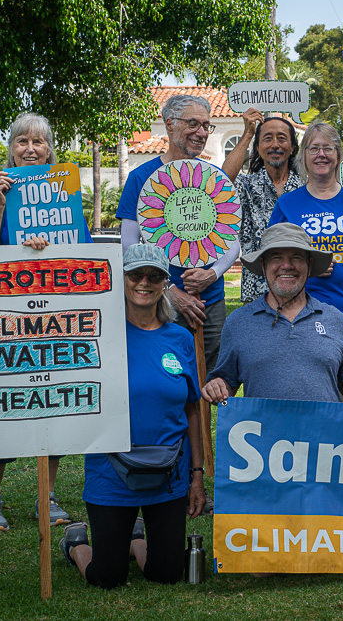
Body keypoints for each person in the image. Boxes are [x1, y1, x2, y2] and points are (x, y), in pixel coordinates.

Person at [60, 243, 206, 588]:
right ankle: (77, 544)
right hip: (111, 469)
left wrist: (196, 475)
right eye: (135, 274)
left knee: (167, 574)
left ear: (165, 283)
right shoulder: (94, 333)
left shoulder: (181, 338)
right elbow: (52, 302)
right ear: (120, 279)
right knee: (107, 577)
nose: (145, 281)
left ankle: (134, 539)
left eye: (154, 275)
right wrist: (38, 253)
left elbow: (193, 410)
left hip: (169, 472)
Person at [0, 112, 87, 531]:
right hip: (5, 310)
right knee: (4, 397)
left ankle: (48, 494)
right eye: (21, 141)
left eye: (38, 142)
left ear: (49, 149)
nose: (29, 149)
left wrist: (47, 248)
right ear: (11, 148)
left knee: (52, 399)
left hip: (54, 314)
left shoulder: (65, 191)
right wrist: (1, 205)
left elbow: (79, 250)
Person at [116, 94, 240, 375]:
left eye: (207, 126)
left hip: (211, 299)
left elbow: (232, 241)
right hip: (158, 300)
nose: (201, 133)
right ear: (169, 124)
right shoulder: (141, 177)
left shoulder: (214, 177)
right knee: (164, 375)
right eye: (193, 124)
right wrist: (170, 291)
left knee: (209, 381)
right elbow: (128, 246)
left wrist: (213, 273)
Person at [202, 223, 343, 408]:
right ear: (263, 264)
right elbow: (227, 381)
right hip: (264, 436)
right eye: (276, 257)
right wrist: (218, 386)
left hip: (323, 435)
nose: (287, 266)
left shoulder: (333, 318)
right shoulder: (239, 322)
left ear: (310, 264)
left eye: (296, 257)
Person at [267, 122, 343, 378]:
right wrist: (308, 269)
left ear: (338, 156)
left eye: (328, 148)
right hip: (300, 320)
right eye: (314, 148)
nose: (321, 154)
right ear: (303, 156)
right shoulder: (288, 204)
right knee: (309, 397)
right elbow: (270, 263)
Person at [220, 108, 303, 302]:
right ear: (257, 148)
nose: (275, 144)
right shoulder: (246, 186)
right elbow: (222, 181)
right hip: (257, 290)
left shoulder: (306, 189)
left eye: (282, 138)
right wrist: (248, 133)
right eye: (267, 138)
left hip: (300, 286)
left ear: (292, 148)